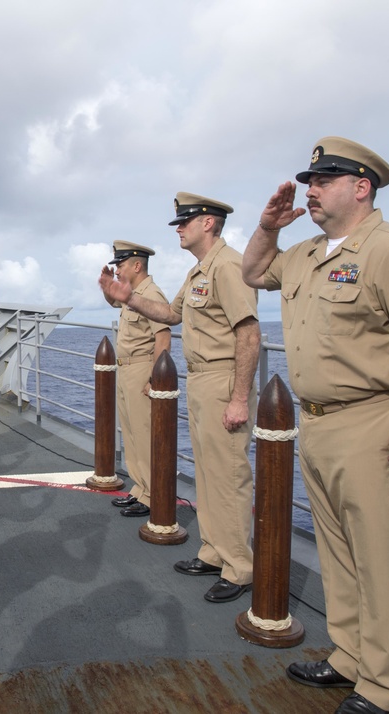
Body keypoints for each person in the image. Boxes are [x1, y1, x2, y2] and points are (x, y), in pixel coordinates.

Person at [241, 137, 389, 714]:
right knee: (339, 554)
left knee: (381, 560)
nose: (310, 190)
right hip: (316, 424)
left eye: (324, 180)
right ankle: (350, 657)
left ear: (361, 187)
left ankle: (386, 684)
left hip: (373, 423)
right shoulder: (307, 253)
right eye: (309, 181)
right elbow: (253, 269)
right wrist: (267, 226)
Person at [100, 194, 260, 603]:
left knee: (228, 477)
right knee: (207, 474)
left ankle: (239, 567)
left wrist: (240, 396)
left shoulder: (228, 266)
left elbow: (248, 332)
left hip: (224, 380)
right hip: (201, 379)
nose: (178, 228)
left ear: (208, 223)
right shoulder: (197, 273)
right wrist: (128, 298)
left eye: (185, 221)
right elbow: (171, 316)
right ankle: (213, 552)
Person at [99, 241, 171, 518]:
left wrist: (155, 378)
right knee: (131, 433)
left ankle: (153, 495)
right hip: (126, 369)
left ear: (137, 266)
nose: (117, 269)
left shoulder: (151, 294)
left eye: (121, 265)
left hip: (142, 368)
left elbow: (163, 336)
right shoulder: (132, 294)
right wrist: (107, 285)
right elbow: (113, 300)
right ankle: (141, 488)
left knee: (145, 435)